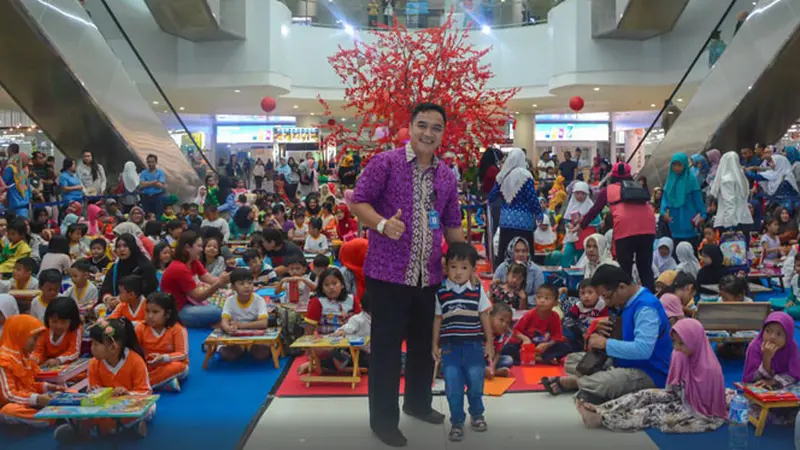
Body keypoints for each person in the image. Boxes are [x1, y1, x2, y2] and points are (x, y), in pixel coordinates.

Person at [349, 103, 463, 446]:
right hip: (388, 276)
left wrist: (464, 264)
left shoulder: (446, 175)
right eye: (422, 125)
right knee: (385, 351)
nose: (428, 133)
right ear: (410, 127)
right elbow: (357, 201)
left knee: (422, 347)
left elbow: (453, 224)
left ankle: (418, 403)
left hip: (428, 278)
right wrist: (383, 224)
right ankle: (383, 421)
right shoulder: (386, 163)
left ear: (443, 133)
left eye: (436, 128)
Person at [542, 265, 672, 405]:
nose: (607, 302)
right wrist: (598, 332)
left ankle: (576, 382)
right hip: (623, 362)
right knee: (572, 360)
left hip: (650, 370)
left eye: (606, 297)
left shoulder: (646, 308)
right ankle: (591, 383)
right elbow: (621, 338)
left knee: (604, 383)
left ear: (621, 287)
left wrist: (605, 343)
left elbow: (643, 350)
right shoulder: (625, 303)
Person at [576, 318, 726, 433]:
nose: (676, 347)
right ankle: (603, 409)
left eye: (682, 343)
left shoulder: (709, 369)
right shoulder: (680, 355)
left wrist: (671, 405)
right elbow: (672, 387)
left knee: (654, 411)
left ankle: (603, 420)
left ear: (695, 341)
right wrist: (663, 394)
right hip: (679, 396)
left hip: (697, 411)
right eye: (674, 342)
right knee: (644, 395)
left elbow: (704, 409)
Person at [54, 318, 153, 442]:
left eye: (96, 344)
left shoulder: (135, 360)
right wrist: (97, 392)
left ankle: (86, 429)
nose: (92, 348)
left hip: (128, 404)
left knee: (147, 408)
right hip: (105, 406)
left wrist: (127, 394)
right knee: (74, 398)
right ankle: (108, 428)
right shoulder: (94, 364)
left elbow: (145, 391)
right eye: (92, 343)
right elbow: (93, 389)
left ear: (112, 347)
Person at [432, 243, 493, 442]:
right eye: (454, 267)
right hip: (450, 349)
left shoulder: (477, 291)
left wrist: (490, 343)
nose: (458, 272)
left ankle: (477, 414)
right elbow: (438, 319)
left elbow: (484, 316)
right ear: (446, 267)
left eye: (464, 267)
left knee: (476, 383)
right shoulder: (441, 293)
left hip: (474, 346)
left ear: (473, 270)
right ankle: (457, 421)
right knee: (453, 386)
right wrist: (435, 344)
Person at [579, 162, 657, 292]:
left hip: (626, 230)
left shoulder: (609, 190)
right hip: (648, 228)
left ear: (613, 175)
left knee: (625, 269)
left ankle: (625, 300)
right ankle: (650, 299)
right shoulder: (638, 186)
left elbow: (595, 210)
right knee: (645, 267)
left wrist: (582, 225)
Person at [0, 315, 64, 428]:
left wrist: (46, 387)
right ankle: (53, 420)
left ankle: (58, 416)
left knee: (63, 392)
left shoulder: (23, 356)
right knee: (8, 411)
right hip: (9, 404)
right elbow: (8, 395)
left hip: (26, 401)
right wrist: (38, 399)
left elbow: (28, 385)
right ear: (21, 336)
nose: (36, 343)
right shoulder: (3, 360)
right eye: (34, 338)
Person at [160, 231, 230, 328]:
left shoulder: (194, 261)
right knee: (222, 311)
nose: (202, 249)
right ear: (188, 247)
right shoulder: (179, 268)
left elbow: (209, 278)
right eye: (199, 246)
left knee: (229, 301)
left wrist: (232, 278)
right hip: (179, 311)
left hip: (192, 303)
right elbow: (199, 296)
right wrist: (219, 283)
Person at [488, 148, 542, 268]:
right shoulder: (525, 175)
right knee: (523, 251)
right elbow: (532, 197)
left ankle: (503, 277)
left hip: (506, 220)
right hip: (524, 221)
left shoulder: (503, 175)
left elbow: (492, 197)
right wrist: (539, 213)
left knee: (505, 251)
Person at [135, 292, 189, 392]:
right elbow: (134, 350)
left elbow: (183, 354)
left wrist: (163, 358)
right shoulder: (140, 328)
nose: (150, 316)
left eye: (155, 312)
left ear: (167, 314)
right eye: (147, 311)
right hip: (150, 364)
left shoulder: (177, 329)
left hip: (170, 364)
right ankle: (165, 384)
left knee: (179, 367)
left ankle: (144, 386)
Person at [505, 284, 571, 365]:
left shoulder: (555, 316)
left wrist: (547, 345)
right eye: (539, 297)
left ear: (555, 303)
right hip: (527, 344)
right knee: (508, 348)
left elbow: (557, 336)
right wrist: (525, 339)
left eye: (547, 298)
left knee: (565, 347)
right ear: (535, 299)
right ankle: (539, 359)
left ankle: (538, 357)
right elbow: (516, 330)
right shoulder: (530, 314)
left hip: (542, 346)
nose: (542, 301)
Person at [219, 268, 273, 361]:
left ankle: (249, 347)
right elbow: (224, 321)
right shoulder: (230, 300)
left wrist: (242, 325)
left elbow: (264, 323)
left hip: (256, 335)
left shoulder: (259, 300)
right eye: (241, 284)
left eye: (250, 283)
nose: (247, 286)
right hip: (237, 336)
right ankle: (238, 348)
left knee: (261, 355)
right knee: (227, 356)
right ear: (233, 287)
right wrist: (228, 328)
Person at [99, 234, 158, 312]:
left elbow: (148, 291)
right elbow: (105, 288)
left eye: (125, 246)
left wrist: (120, 299)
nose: (121, 249)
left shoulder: (145, 267)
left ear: (132, 247)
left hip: (140, 308)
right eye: (118, 246)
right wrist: (108, 298)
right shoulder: (116, 267)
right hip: (115, 307)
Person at [743, 312, 800, 390]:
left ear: (788, 337)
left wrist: (773, 381)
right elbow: (750, 378)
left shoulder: (791, 347)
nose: (772, 337)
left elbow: (795, 374)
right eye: (768, 331)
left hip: (784, 388)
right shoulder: (755, 346)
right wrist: (766, 358)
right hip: (759, 388)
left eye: (779, 334)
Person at [661, 153, 705, 250]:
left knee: (690, 251)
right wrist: (663, 212)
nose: (676, 168)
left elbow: (697, 199)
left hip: (689, 221)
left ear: (685, 164)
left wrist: (703, 214)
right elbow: (665, 200)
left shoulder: (691, 179)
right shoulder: (670, 180)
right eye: (674, 165)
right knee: (677, 253)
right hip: (674, 222)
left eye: (679, 165)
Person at [493, 237, 545, 306]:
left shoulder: (535, 270)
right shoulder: (502, 268)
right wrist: (509, 299)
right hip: (504, 307)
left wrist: (521, 300)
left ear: (528, 253)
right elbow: (494, 289)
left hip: (530, 307)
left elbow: (541, 295)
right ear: (511, 251)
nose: (521, 254)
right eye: (517, 251)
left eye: (524, 251)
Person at [562, 181, 595, 267]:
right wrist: (569, 225)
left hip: (586, 238)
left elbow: (597, 222)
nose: (580, 196)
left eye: (582, 193)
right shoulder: (571, 205)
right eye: (577, 193)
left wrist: (582, 222)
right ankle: (566, 277)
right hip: (572, 237)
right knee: (566, 255)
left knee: (583, 259)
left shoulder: (591, 206)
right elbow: (566, 219)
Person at [2, 152, 30, 218]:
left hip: (24, 203)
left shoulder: (25, 169)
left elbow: (26, 184)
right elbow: (4, 183)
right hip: (15, 202)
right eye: (27, 159)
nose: (28, 161)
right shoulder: (10, 169)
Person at [139, 154, 167, 219]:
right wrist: (155, 181)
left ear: (156, 162)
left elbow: (160, 185)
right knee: (146, 215)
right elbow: (141, 185)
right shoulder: (143, 173)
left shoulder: (160, 173)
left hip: (158, 196)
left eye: (152, 162)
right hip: (145, 197)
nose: (150, 164)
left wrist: (147, 183)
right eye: (149, 162)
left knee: (158, 215)